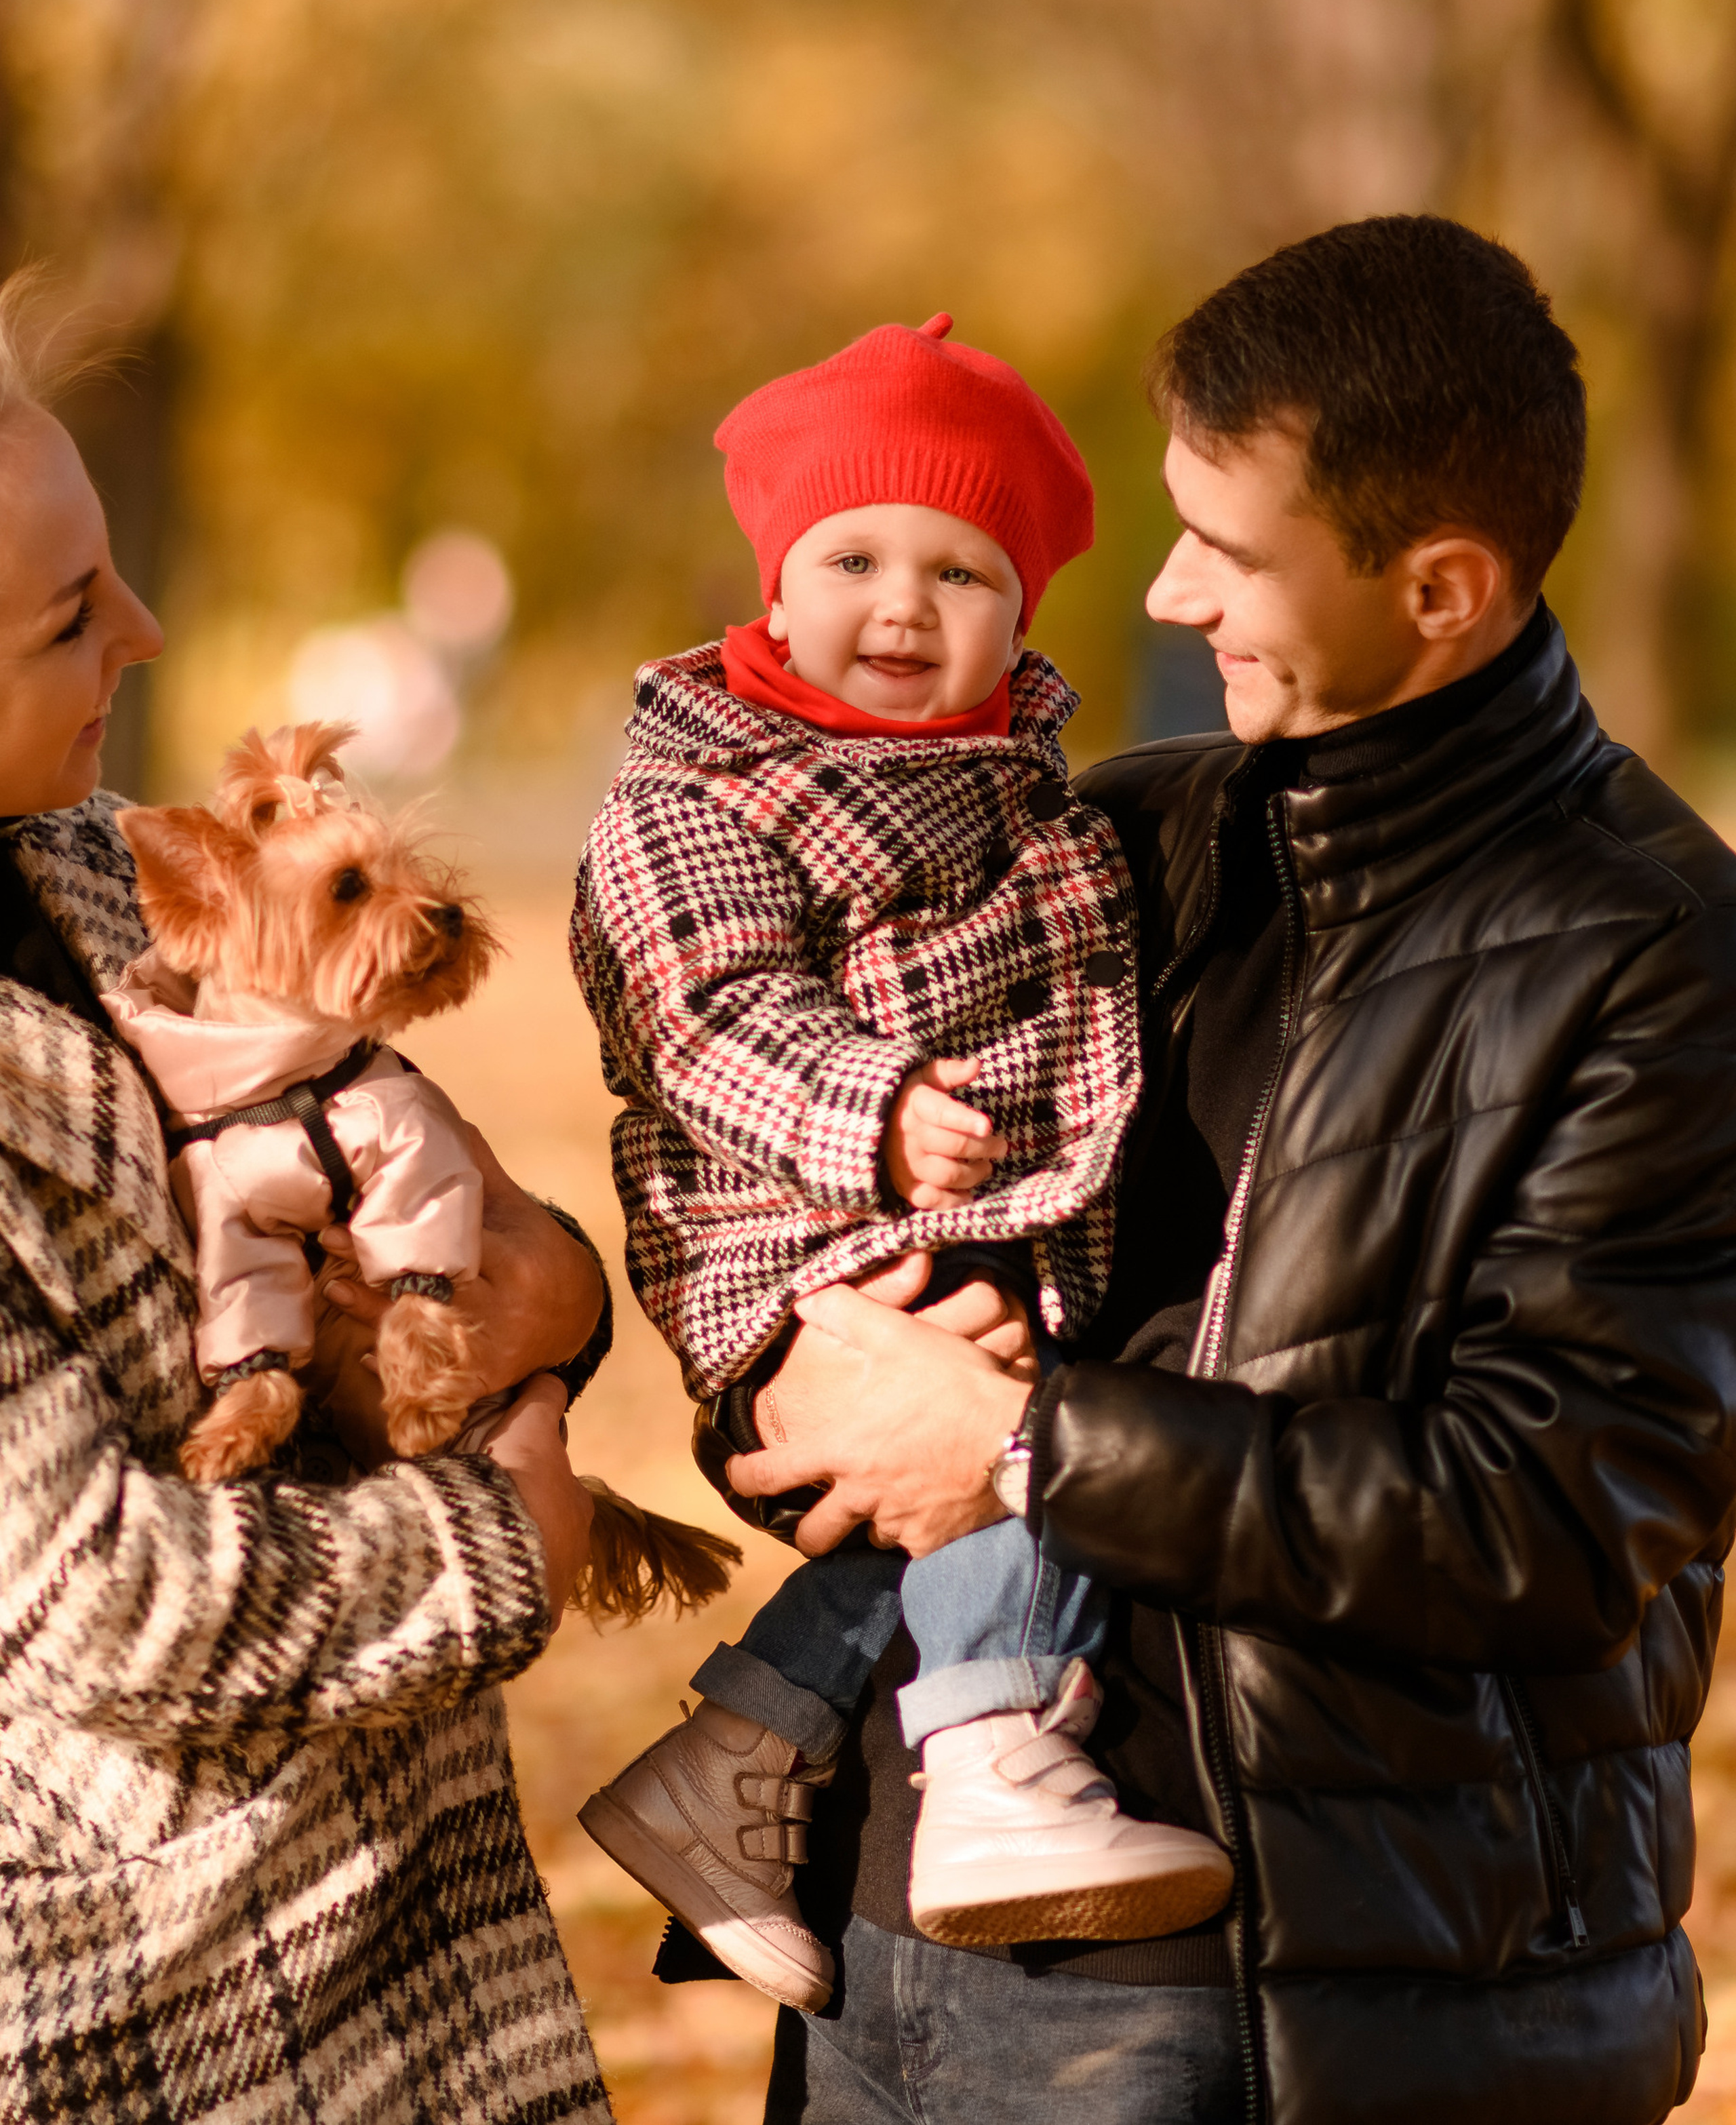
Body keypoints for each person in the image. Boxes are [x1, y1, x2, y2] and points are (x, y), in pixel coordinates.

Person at [722, 215, 1736, 2125]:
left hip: (1298, 1993)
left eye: (1233, 550)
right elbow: (788, 1212)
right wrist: (732, 1364)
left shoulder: (1658, 953)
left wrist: (1022, 1452)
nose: (1171, 594)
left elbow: (1559, 1519)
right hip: (886, 1927)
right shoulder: (1111, 844)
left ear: (1439, 588)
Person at [0, 281, 612, 2124]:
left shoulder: (119, 884)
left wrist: (552, 1297)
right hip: (159, 2012)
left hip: (409, 1965)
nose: (146, 629)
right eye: (64, 615)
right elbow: (92, 1595)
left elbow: (471, 1198)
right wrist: (510, 1551)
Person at [570, 315, 1232, 2013]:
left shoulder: (1023, 796)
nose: (902, 606)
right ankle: (995, 1767)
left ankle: (732, 1766)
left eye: (961, 573)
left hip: (946, 1218)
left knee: (998, 1446)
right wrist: (865, 1107)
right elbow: (695, 1011)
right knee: (1014, 1444)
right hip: (776, 1226)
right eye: (852, 556)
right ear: (772, 592)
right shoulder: (696, 791)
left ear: (1019, 617)